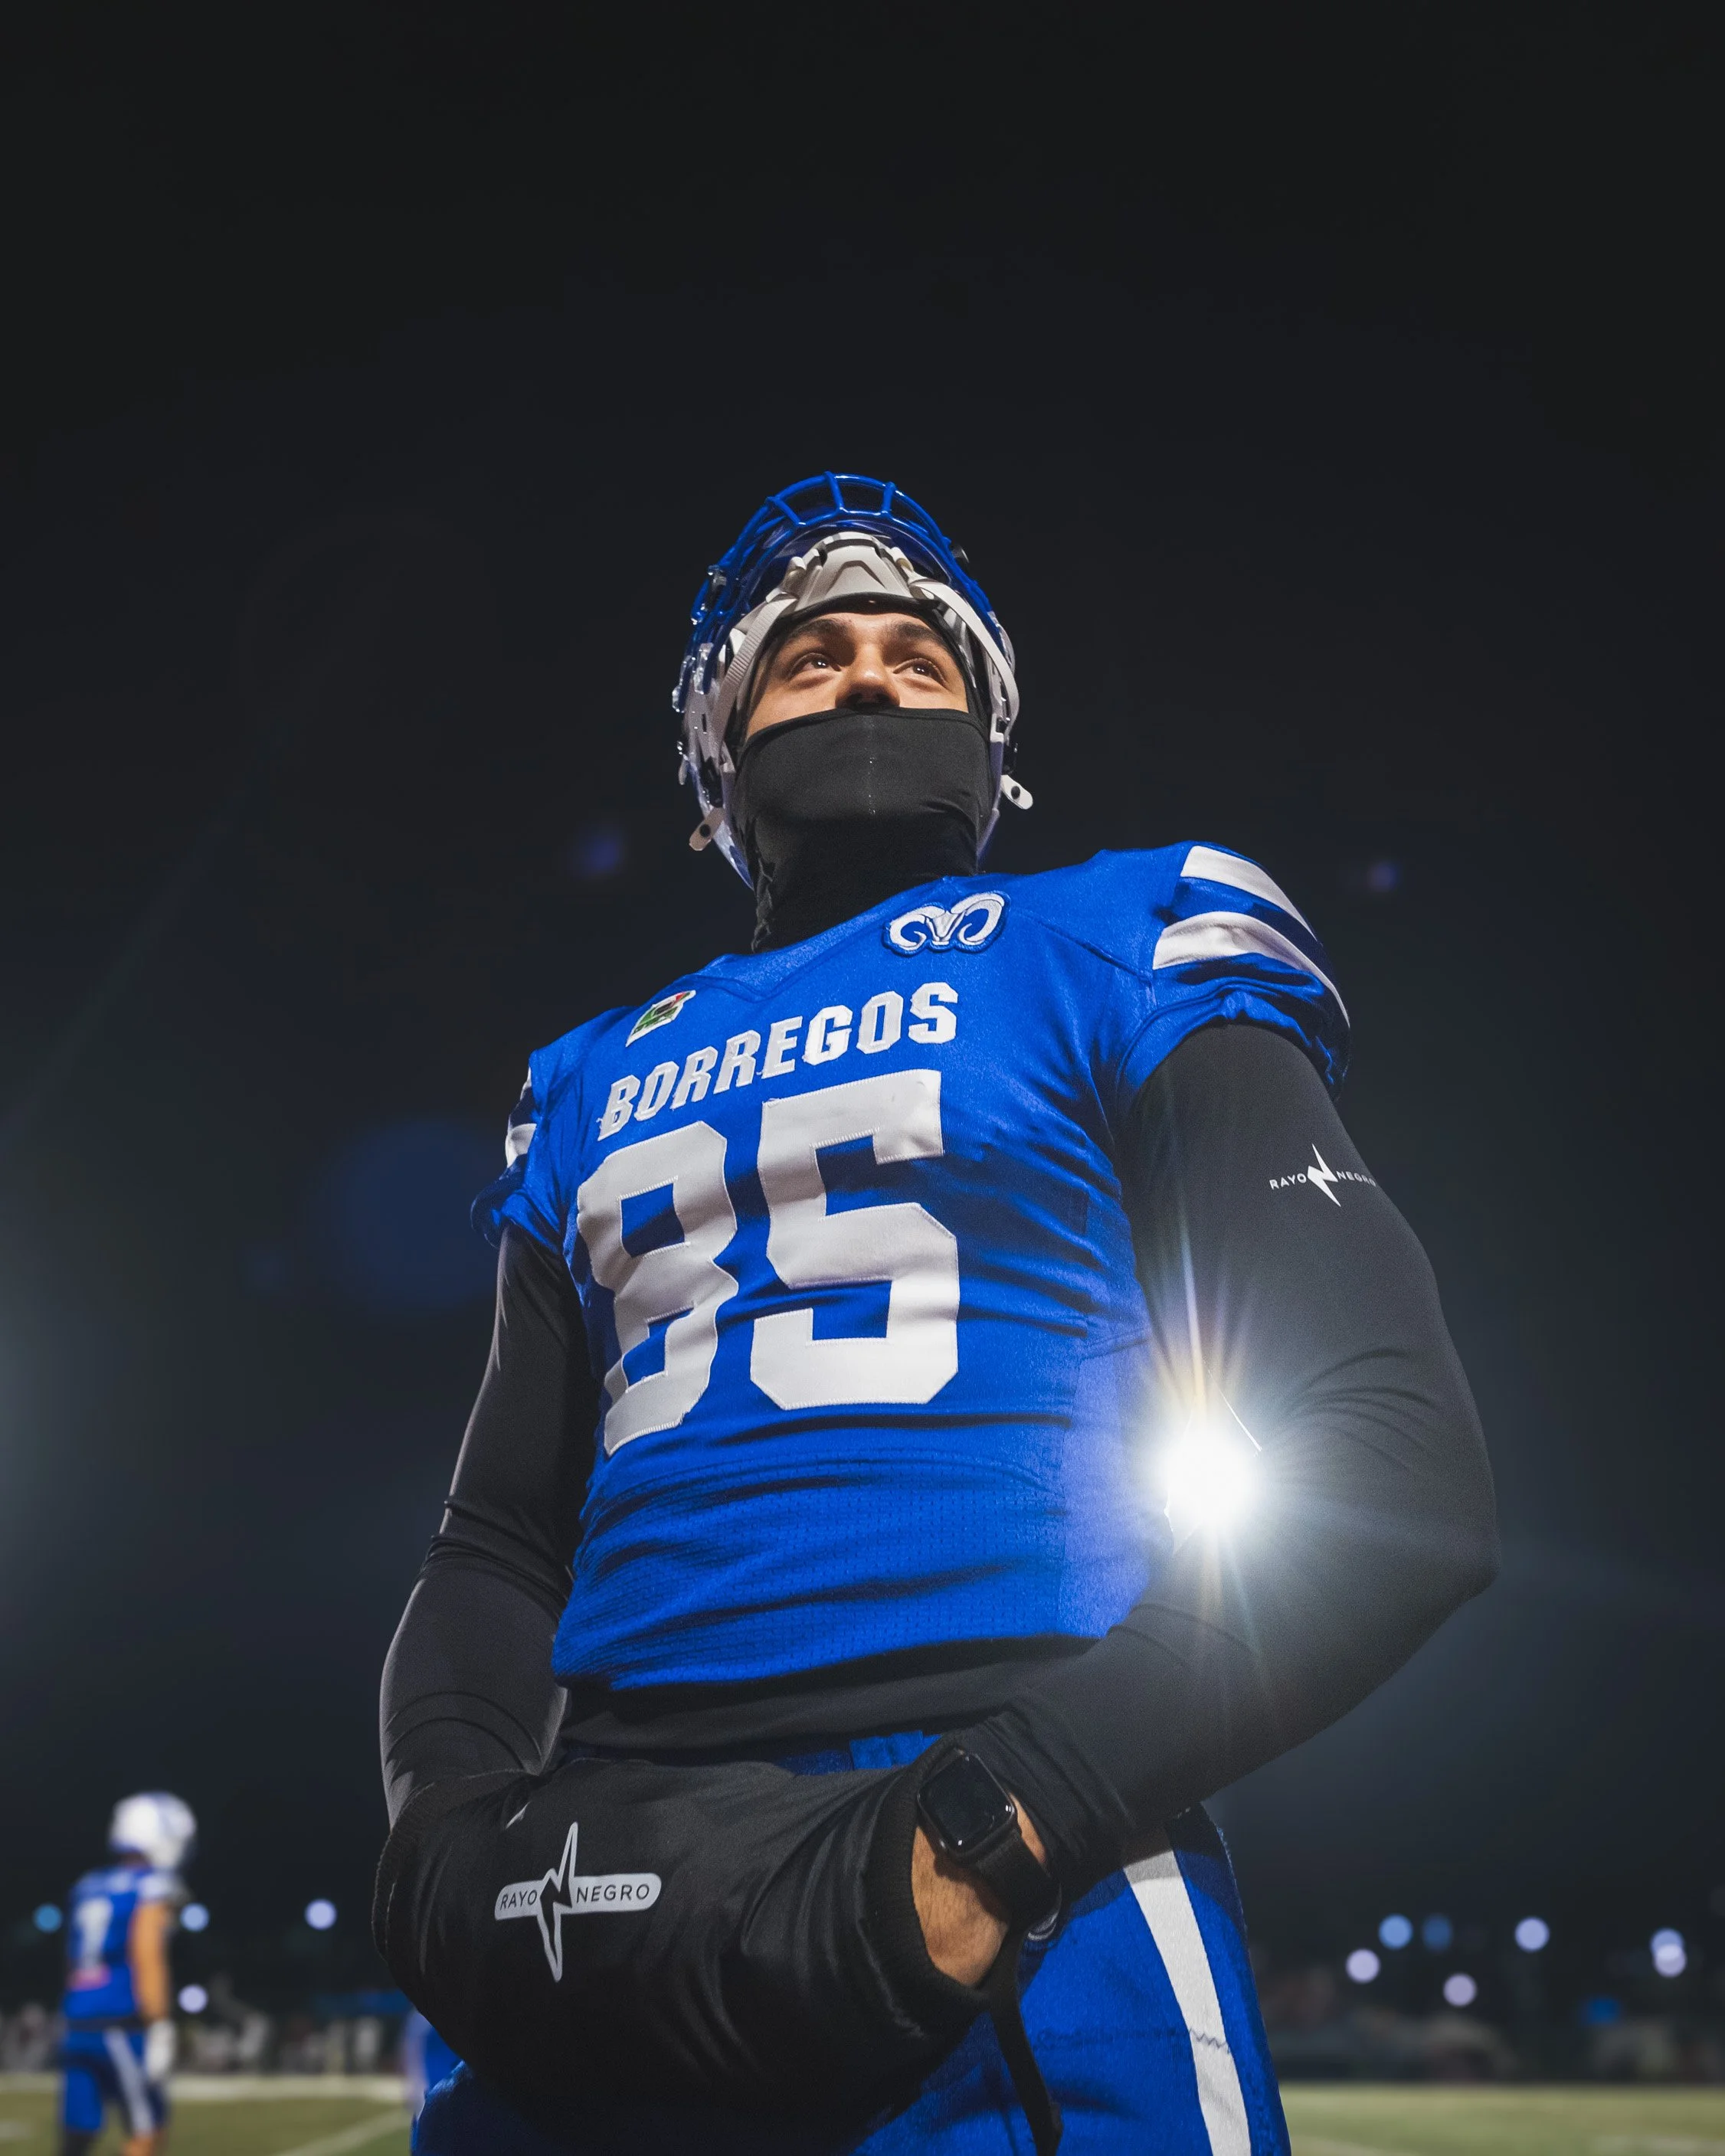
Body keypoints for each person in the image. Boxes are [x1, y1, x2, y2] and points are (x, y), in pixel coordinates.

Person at [375, 474, 1498, 2154]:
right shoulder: (589, 1076)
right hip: (604, 1850)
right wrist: (444, 1838)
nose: (873, 673)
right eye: (811, 651)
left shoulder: (1116, 934)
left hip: (1020, 1821)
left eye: (921, 652)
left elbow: (1396, 1461)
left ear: (993, 734)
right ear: (712, 752)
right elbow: (494, 1548)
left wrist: (1002, 1819)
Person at [59, 1791, 194, 2156]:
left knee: (77, 2134)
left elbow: (73, 1961)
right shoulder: (151, 1886)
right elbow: (146, 1952)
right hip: (121, 2023)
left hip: (78, 2021)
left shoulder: (89, 1885)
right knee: (146, 2127)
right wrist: (159, 2022)